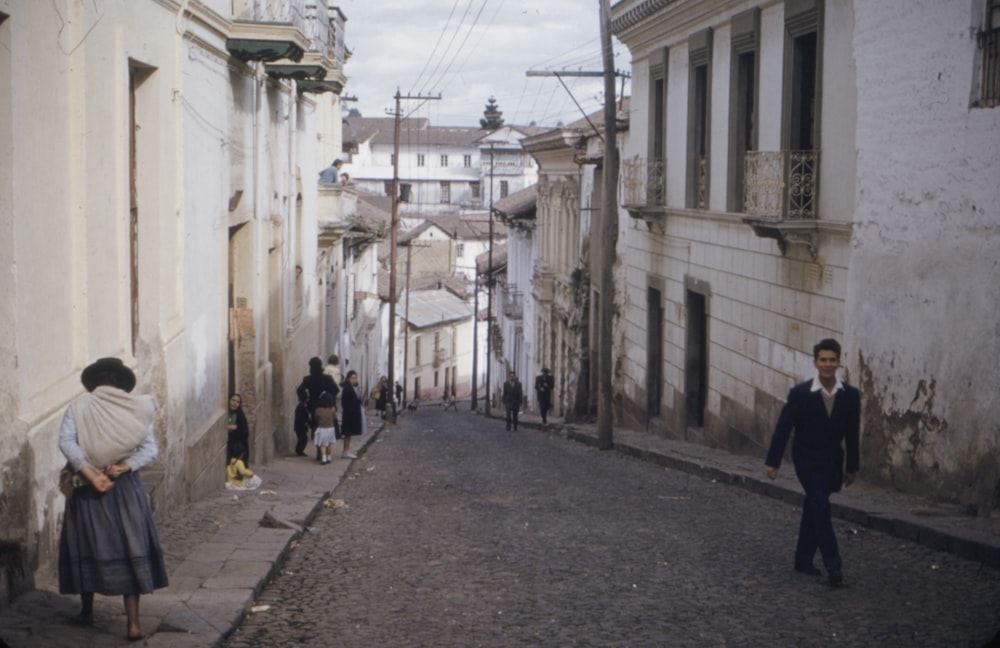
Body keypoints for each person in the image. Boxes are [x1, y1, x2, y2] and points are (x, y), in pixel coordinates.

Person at [57, 357, 168, 642]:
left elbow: (67, 442)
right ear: (121, 384)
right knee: (131, 548)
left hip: (88, 488)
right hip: (124, 489)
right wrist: (123, 466)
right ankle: (133, 624)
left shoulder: (79, 407)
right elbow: (149, 449)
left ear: (95, 383)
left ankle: (87, 611)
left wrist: (90, 473)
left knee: (86, 545)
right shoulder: (137, 410)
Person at [765, 338, 860, 587]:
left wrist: (852, 466)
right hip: (806, 456)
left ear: (838, 362)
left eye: (832, 360)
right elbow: (784, 427)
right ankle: (833, 564)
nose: (827, 365)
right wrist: (773, 462)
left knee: (815, 504)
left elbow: (852, 433)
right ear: (815, 362)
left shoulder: (850, 396)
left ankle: (803, 558)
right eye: (823, 360)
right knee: (820, 503)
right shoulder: (800, 394)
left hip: (831, 458)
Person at [297, 357, 340, 460]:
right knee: (328, 428)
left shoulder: (307, 379)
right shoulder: (327, 378)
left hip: (314, 407)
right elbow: (336, 390)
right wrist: (331, 400)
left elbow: (300, 390)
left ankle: (319, 450)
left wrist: (305, 399)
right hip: (328, 407)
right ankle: (325, 452)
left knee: (316, 429)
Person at [340, 370, 366, 460]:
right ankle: (345, 451)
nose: (354, 380)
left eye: (355, 378)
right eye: (352, 378)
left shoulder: (353, 387)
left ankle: (346, 451)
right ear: (348, 378)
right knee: (347, 433)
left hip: (351, 413)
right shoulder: (347, 388)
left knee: (349, 433)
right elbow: (346, 402)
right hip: (349, 414)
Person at [312, 391, 338, 464]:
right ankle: (329, 457)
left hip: (322, 428)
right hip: (331, 429)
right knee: (329, 444)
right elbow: (335, 418)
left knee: (322, 444)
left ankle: (323, 458)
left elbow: (315, 418)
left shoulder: (318, 410)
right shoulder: (332, 409)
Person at [226, 393, 250, 464]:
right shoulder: (226, 413)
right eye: (233, 400)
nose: (235, 403)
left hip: (237, 447)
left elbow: (244, 432)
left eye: (237, 402)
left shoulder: (240, 415)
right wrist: (232, 427)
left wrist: (235, 428)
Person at [293, 392, 311, 457]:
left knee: (302, 438)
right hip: (300, 426)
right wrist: (306, 423)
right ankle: (299, 451)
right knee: (303, 439)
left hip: (300, 426)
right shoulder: (301, 407)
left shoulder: (302, 406)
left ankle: (299, 450)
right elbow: (302, 417)